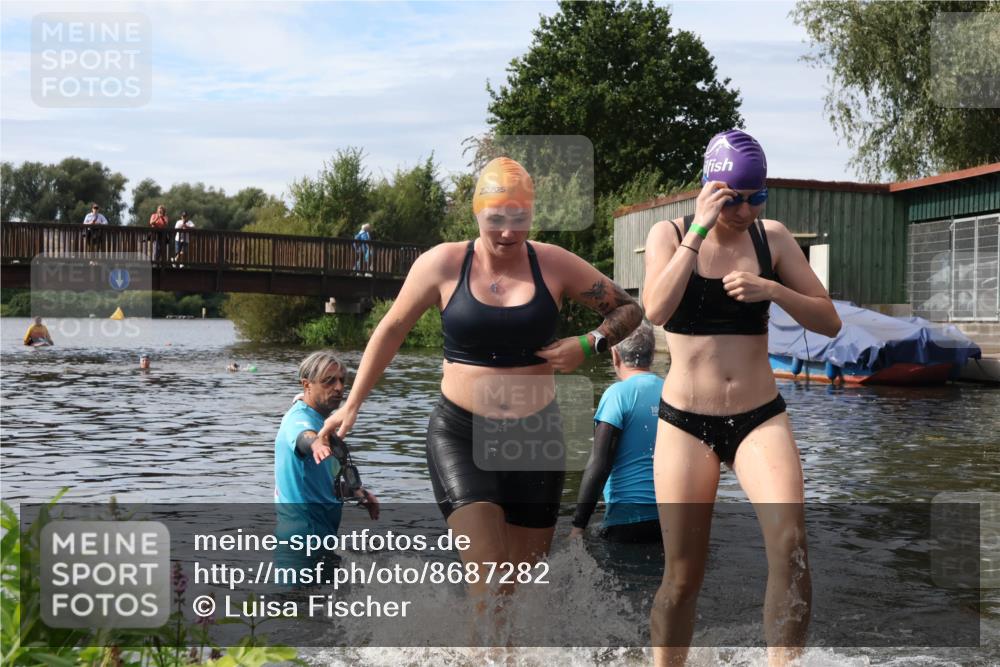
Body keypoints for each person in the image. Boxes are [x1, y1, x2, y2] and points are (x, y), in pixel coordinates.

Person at [316, 157, 643, 604]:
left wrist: (590, 344)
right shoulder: (443, 263)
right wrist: (352, 404)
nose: (508, 232)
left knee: (522, 593)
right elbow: (391, 329)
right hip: (462, 434)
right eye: (496, 220)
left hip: (537, 438)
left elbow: (628, 309)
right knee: (489, 581)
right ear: (477, 214)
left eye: (520, 219)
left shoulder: (552, 263)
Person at [642, 129, 842, 666]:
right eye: (734, 199)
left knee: (791, 546)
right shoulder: (668, 233)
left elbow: (829, 321)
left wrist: (771, 289)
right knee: (683, 575)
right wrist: (698, 231)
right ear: (710, 189)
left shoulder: (771, 239)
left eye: (759, 198)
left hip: (759, 417)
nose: (747, 210)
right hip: (686, 423)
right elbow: (655, 310)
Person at [274, 351, 379, 570]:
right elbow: (304, 437)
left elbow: (318, 483)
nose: (339, 387)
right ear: (307, 385)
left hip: (321, 537)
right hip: (301, 543)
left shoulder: (322, 421)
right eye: (329, 381)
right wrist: (316, 444)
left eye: (341, 380)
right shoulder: (299, 418)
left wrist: (356, 492)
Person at [570, 320, 662, 544]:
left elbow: (599, 463)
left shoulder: (618, 395)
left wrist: (578, 526)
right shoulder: (671, 391)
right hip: (674, 518)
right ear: (651, 355)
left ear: (615, 355)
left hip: (628, 519)